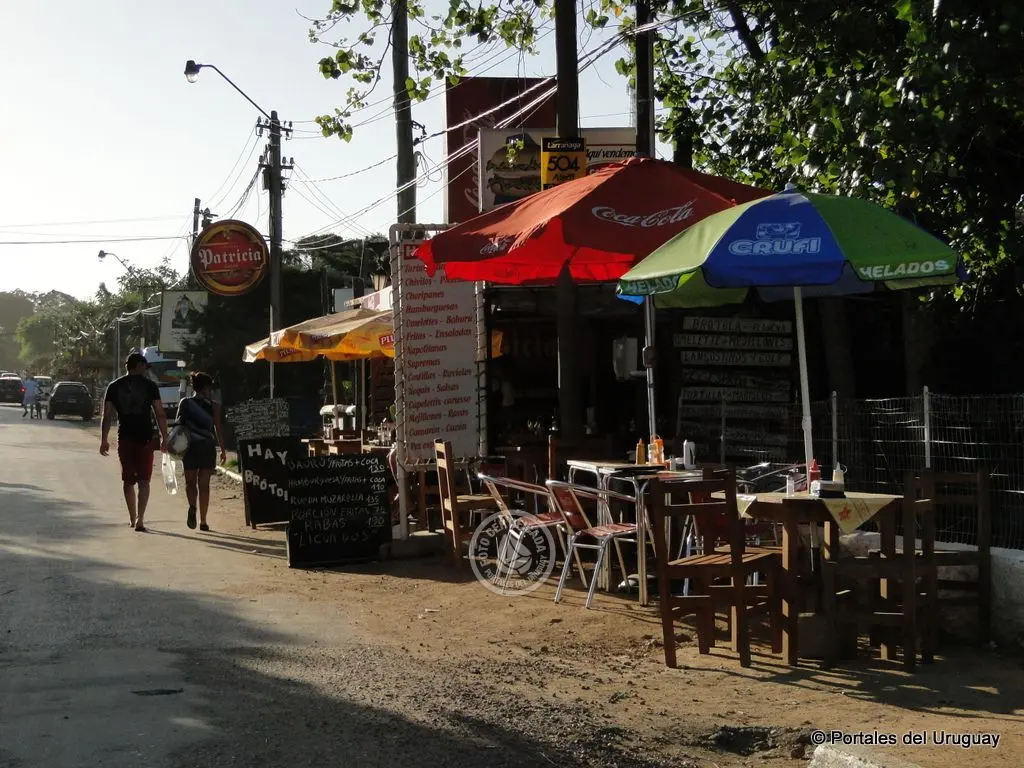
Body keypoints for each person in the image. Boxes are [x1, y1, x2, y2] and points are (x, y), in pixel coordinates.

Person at [100, 353, 169, 531]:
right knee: (144, 480)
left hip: (125, 437)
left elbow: (107, 415)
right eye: (145, 366)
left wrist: (104, 439)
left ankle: (132, 517)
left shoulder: (114, 386)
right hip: (145, 438)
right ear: (138, 365)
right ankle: (140, 519)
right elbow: (160, 414)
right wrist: (165, 437)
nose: (146, 370)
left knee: (128, 479)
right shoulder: (150, 386)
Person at [175, 371, 226, 531]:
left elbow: (178, 425)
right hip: (207, 447)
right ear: (205, 387)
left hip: (189, 447)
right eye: (210, 388)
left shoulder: (185, 403)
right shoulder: (214, 406)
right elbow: (218, 428)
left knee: (190, 482)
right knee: (204, 485)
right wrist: (223, 449)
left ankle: (192, 506)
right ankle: (203, 521)